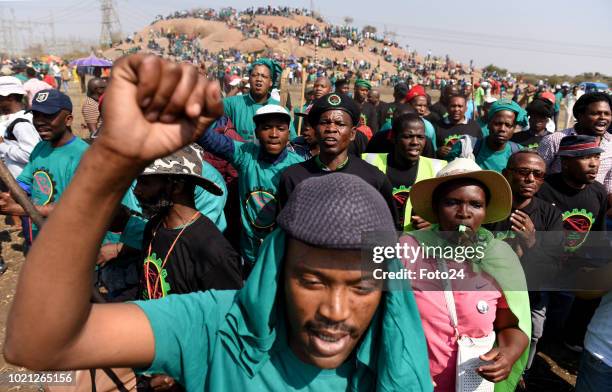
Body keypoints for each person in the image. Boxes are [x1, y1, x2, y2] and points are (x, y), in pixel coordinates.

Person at [3, 55, 433, 391]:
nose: (335, 313)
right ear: (279, 266)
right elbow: (37, 343)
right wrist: (110, 160)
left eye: (360, 287)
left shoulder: (395, 356)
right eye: (312, 281)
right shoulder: (219, 327)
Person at [404, 158, 531, 391]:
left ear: (485, 210)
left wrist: (508, 355)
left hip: (473, 383)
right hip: (416, 381)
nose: (464, 213)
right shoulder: (408, 250)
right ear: (435, 208)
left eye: (475, 204)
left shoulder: (499, 256)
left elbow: (511, 325)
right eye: (452, 202)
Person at [484, 151, 564, 380]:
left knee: (532, 335)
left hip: (531, 295)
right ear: (506, 174)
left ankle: (520, 374)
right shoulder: (488, 209)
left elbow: (554, 264)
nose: (530, 179)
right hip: (490, 292)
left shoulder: (550, 214)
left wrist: (531, 242)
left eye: (538, 174)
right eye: (523, 172)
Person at [197, 104, 303, 268]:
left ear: (289, 133)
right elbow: (209, 139)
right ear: (257, 132)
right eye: (267, 128)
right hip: (250, 253)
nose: (274, 134)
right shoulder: (246, 155)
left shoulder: (299, 166)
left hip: (282, 255)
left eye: (280, 128)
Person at [133, 144, 242, 299]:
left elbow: (226, 312)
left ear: (177, 186)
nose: (137, 190)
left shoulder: (212, 250)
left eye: (145, 183)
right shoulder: (154, 227)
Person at [278, 92, 397, 224]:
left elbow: (388, 233)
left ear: (352, 134)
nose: (331, 129)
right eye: (324, 122)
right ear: (315, 130)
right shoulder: (293, 178)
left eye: (340, 124)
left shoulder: (374, 179)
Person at [536, 135, 608, 352]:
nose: (594, 163)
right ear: (565, 163)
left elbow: (597, 234)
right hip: (539, 270)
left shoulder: (598, 192)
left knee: (559, 318)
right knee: (535, 322)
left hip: (571, 270)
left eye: (596, 157)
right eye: (585, 158)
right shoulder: (543, 190)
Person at [0, 89, 87, 244]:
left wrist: (18, 209)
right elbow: (25, 183)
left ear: (68, 119)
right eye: (36, 115)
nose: (39, 121)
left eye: (48, 116)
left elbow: (76, 208)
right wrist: (9, 197)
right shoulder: (40, 148)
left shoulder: (83, 156)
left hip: (71, 239)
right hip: (40, 233)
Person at [362, 113, 446, 231]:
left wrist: (434, 221)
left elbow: (447, 210)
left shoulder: (438, 169)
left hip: (418, 245)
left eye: (420, 137)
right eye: (407, 136)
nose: (415, 142)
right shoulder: (368, 162)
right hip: (379, 242)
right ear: (393, 138)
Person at [538, 92, 612, 194]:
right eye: (595, 113)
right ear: (580, 115)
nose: (603, 117)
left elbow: (609, 186)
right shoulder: (554, 140)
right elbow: (538, 175)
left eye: (607, 114)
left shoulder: (611, 144)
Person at [223, 58, 295, 142]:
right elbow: (213, 110)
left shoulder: (280, 109)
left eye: (264, 76)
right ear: (249, 79)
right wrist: (238, 87)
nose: (259, 79)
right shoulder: (234, 103)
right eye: (254, 75)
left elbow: (292, 141)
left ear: (271, 82)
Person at [445, 98, 525, 172]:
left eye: (508, 125)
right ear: (488, 124)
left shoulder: (520, 154)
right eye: (497, 124)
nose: (502, 129)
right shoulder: (465, 147)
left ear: (514, 128)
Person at [0, 76, 41, 179]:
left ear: (10, 97)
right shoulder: (12, 119)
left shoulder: (21, 123)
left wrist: (3, 146)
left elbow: (30, 154)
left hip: (21, 183)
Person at [405, 85, 438, 151]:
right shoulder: (393, 124)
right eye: (419, 105)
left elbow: (432, 151)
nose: (422, 109)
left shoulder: (428, 127)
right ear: (409, 104)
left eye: (425, 106)